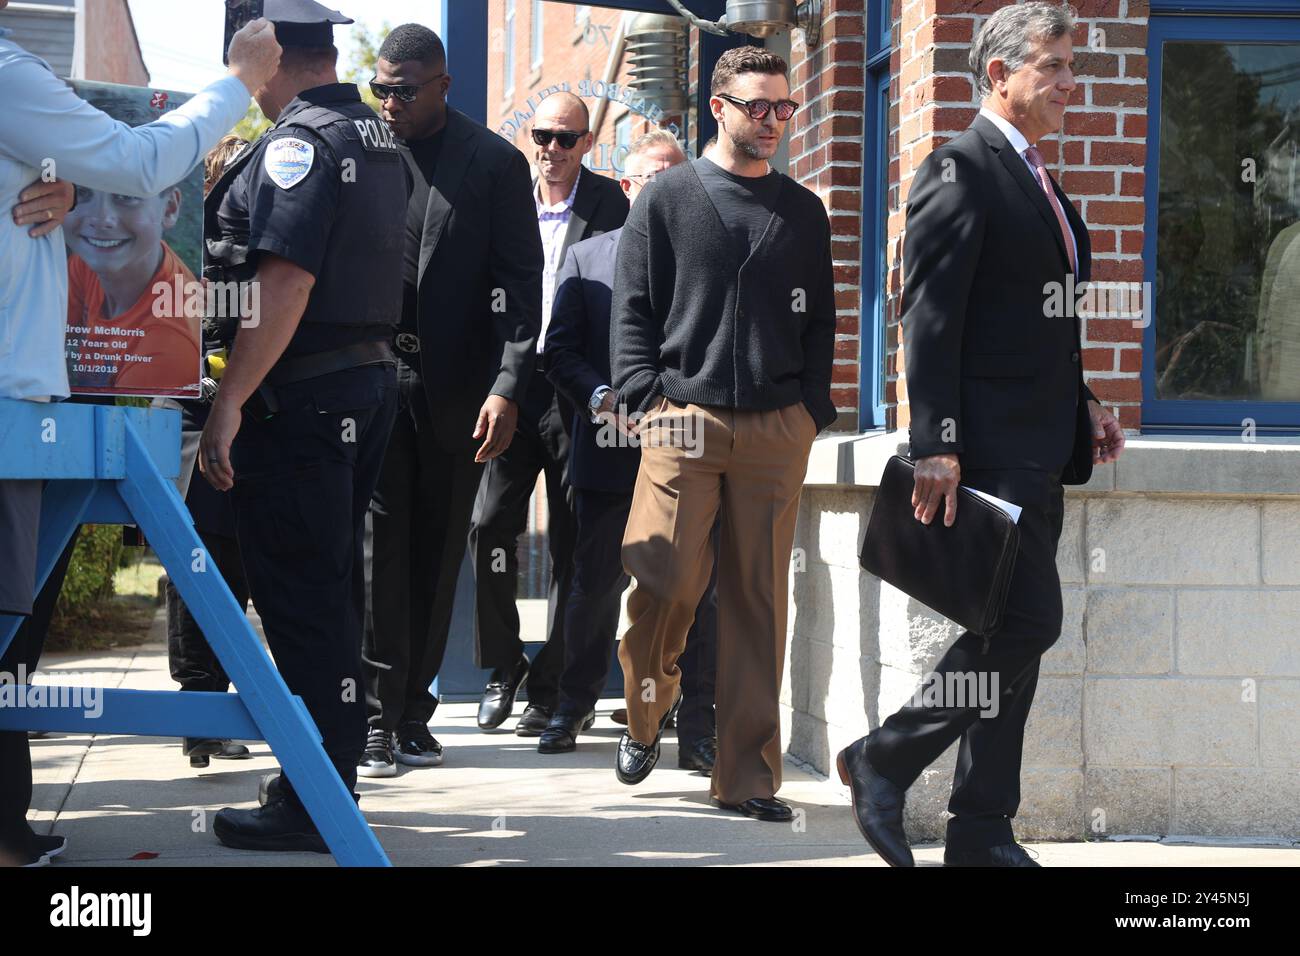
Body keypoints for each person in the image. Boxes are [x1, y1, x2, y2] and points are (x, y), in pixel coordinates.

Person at [837, 2, 1125, 868]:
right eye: (1053, 66)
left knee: (1012, 640)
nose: (1070, 83)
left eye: (1073, 66)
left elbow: (1027, 323)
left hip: (1040, 445)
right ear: (999, 73)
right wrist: (935, 441)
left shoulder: (1036, 176)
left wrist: (1083, 401)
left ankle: (982, 828)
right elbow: (930, 316)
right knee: (1028, 622)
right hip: (987, 448)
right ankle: (885, 758)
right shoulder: (960, 168)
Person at [0, 5, 280, 867]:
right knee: (5, 634)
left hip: (24, 407)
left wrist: (53, 179)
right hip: (12, 412)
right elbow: (134, 158)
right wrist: (239, 81)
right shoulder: (6, 74)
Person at [197, 0, 409, 853]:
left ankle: (316, 798)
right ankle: (329, 780)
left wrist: (228, 401)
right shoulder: (374, 135)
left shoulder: (299, 143)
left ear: (271, 52)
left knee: (302, 598)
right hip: (356, 388)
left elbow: (285, 284)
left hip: (304, 401)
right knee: (330, 591)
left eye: (246, 61)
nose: (242, 81)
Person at [610, 47, 836, 822]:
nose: (772, 121)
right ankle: (647, 710)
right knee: (663, 579)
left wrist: (809, 411)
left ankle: (747, 778)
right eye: (756, 106)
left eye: (783, 107)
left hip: (776, 429)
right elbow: (633, 306)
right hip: (682, 417)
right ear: (719, 107)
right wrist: (645, 398)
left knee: (756, 604)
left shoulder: (802, 211)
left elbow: (822, 321)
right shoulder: (666, 198)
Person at [357, 23, 544, 776]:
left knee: (436, 554)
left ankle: (411, 715)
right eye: (381, 89)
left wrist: (507, 385)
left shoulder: (494, 163)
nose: (390, 102)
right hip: (370, 379)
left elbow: (520, 285)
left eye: (404, 90)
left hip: (458, 392)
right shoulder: (360, 150)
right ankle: (374, 716)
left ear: (443, 85)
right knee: (378, 552)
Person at [540, 129, 717, 768]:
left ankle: (697, 729)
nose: (666, 188)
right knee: (594, 585)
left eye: (676, 176)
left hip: (692, 448)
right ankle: (572, 705)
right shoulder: (588, 258)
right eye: (652, 178)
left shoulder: (710, 254)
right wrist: (602, 399)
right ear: (626, 187)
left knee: (697, 591)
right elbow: (560, 351)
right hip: (611, 446)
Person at [469, 91, 628, 737]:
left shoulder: (611, 204)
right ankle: (503, 663)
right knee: (488, 526)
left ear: (587, 143)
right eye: (542, 136)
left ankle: (550, 687)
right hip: (512, 385)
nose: (552, 149)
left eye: (566, 138)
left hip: (579, 390)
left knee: (574, 541)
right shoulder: (506, 201)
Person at [165, 134, 254, 769]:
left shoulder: (259, 257)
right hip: (193, 423)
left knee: (235, 567)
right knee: (196, 564)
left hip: (243, 423)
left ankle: (211, 715)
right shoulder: (182, 254)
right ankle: (199, 713)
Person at [64, 181, 201, 394]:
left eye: (126, 195)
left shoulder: (168, 348)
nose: (101, 220)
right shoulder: (91, 259)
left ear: (169, 208)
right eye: (80, 192)